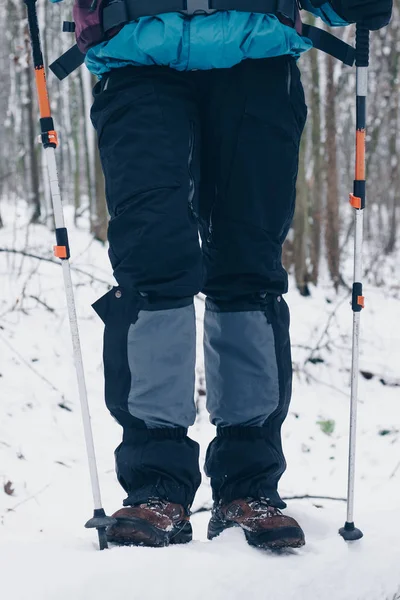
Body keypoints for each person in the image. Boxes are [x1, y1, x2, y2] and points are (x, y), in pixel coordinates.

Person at [52, 0, 392, 549]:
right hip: (136, 55)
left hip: (258, 53)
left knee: (248, 269)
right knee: (152, 267)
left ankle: (247, 485)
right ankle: (155, 485)